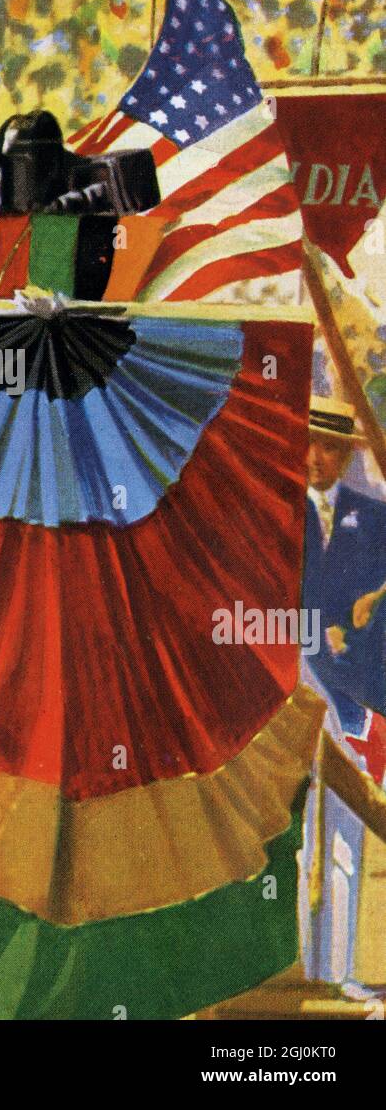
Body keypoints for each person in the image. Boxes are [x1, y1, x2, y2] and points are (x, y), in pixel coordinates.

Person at [300, 394, 386, 994]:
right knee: (307, 840)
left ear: (345, 455)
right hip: (297, 694)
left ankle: (344, 971)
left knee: (351, 838)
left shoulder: (373, 517)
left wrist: (368, 609)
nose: (315, 458)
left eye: (329, 447)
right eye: (308, 444)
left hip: (355, 698)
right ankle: (310, 973)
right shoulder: (276, 514)